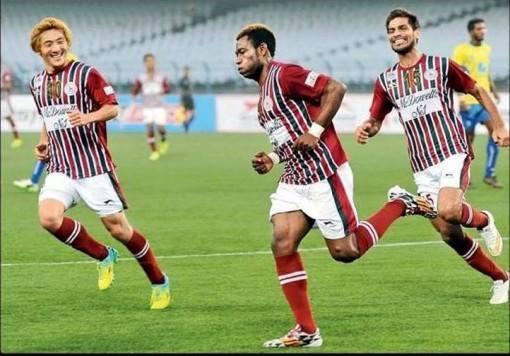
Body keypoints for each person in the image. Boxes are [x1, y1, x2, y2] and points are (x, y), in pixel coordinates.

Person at [235, 23, 437, 349]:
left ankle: (400, 203)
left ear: (262, 51)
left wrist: (315, 130)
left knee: (346, 251)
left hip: (325, 172)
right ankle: (306, 330)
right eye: (235, 54)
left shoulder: (285, 74)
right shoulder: (262, 98)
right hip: (295, 178)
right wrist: (273, 158)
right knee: (282, 242)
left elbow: (336, 88)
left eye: (242, 52)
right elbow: (291, 138)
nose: (237, 59)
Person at [355, 8, 509, 306]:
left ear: (416, 32)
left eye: (402, 28)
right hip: (422, 166)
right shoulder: (386, 81)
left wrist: (500, 125)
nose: (396, 34)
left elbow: (477, 89)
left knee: (450, 210)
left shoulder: (440, 66)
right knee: (451, 236)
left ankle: (483, 219)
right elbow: (375, 119)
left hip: (452, 150)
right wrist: (367, 128)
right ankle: (502, 278)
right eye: (391, 31)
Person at [29, 17, 171, 309]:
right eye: (49, 44)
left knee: (120, 229)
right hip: (61, 167)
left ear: (67, 43)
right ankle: (103, 256)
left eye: (60, 42)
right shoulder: (37, 83)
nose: (56, 48)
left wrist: (88, 117)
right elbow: (48, 117)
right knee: (49, 219)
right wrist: (44, 144)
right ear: (38, 49)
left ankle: (159, 281)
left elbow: (113, 108)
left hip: (93, 166)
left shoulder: (86, 73)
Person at [13, 54, 77, 192]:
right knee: (47, 151)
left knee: (57, 153)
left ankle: (36, 181)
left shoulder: (71, 78)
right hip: (57, 124)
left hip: (68, 126)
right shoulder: (52, 80)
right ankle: (34, 180)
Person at [452, 18, 502, 188]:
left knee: (496, 134)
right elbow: (455, 75)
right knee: (467, 141)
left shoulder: (487, 49)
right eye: (479, 28)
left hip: (484, 102)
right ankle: (463, 176)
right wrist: (460, 98)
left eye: (484, 28)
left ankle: (490, 173)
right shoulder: (461, 50)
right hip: (468, 101)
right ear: (471, 31)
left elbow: (486, 73)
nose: (483, 31)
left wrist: (494, 92)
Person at [132, 53, 171, 160]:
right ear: (145, 63)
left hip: (159, 106)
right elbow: (135, 89)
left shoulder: (161, 76)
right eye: (148, 61)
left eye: (152, 61)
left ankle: (163, 139)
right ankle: (154, 151)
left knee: (161, 128)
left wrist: (164, 90)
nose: (151, 63)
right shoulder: (141, 77)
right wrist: (135, 92)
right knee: (149, 128)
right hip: (147, 106)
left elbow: (168, 88)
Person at [1, 63, 22, 148]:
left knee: (10, 120)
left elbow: (8, 86)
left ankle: (17, 139)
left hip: (3, 101)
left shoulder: (4, 72)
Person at [178, 66, 195, 133]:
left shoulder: (190, 79)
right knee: (184, 114)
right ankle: (186, 129)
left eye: (188, 71)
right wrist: (181, 99)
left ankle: (186, 125)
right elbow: (181, 90)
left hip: (190, 97)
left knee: (193, 114)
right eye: (186, 71)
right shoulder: (182, 80)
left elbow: (191, 89)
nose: (187, 72)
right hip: (185, 98)